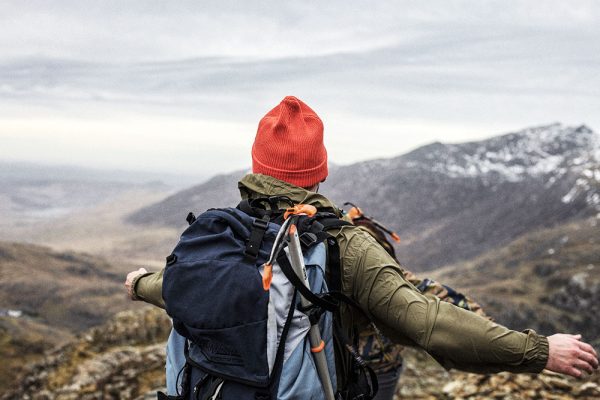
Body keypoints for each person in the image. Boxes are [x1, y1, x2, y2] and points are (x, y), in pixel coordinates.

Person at [125, 96, 598, 397]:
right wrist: (540, 351)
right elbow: (425, 321)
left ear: (255, 165)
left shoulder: (224, 231)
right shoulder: (342, 243)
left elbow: (178, 287)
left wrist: (139, 283)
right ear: (320, 171)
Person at [342, 205, 488, 400]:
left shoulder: (362, 254)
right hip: (348, 361)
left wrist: (484, 328)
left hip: (376, 365)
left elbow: (421, 290)